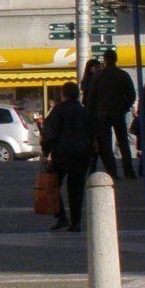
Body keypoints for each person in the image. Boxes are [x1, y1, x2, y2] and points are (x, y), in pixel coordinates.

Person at [41, 80, 95, 233]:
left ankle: (61, 216)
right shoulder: (84, 111)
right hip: (81, 154)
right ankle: (76, 222)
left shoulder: (59, 110)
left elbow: (51, 133)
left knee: (52, 184)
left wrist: (46, 151)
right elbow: (92, 133)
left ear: (63, 94)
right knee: (76, 189)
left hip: (63, 154)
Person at [91, 49, 137, 180]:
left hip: (102, 114)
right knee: (123, 142)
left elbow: (91, 98)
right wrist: (125, 106)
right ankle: (128, 170)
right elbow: (132, 95)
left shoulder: (98, 76)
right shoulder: (123, 75)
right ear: (116, 59)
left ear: (104, 60)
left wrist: (92, 114)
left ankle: (112, 172)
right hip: (118, 112)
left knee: (106, 144)